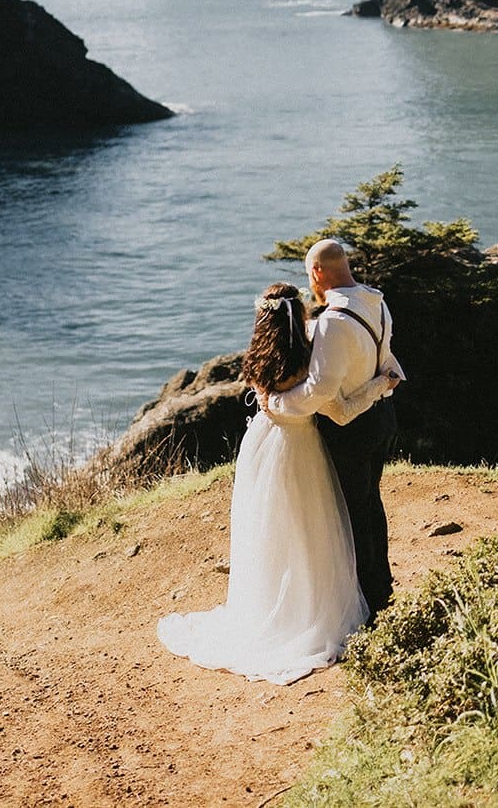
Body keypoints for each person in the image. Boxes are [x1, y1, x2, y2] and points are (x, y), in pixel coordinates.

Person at [156, 282, 396, 685]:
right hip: (301, 450)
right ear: (299, 317)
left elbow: (272, 401)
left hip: (261, 448)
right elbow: (341, 408)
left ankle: (269, 605)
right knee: (310, 530)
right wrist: (381, 383)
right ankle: (308, 609)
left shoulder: (259, 361)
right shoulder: (308, 368)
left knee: (268, 531)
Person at [264, 239, 403, 618]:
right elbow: (384, 355)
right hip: (380, 418)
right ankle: (381, 587)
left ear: (317, 273)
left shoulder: (333, 322)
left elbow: (319, 392)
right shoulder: (376, 301)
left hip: (352, 430)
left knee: (352, 514)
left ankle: (369, 604)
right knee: (370, 504)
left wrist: (275, 403)